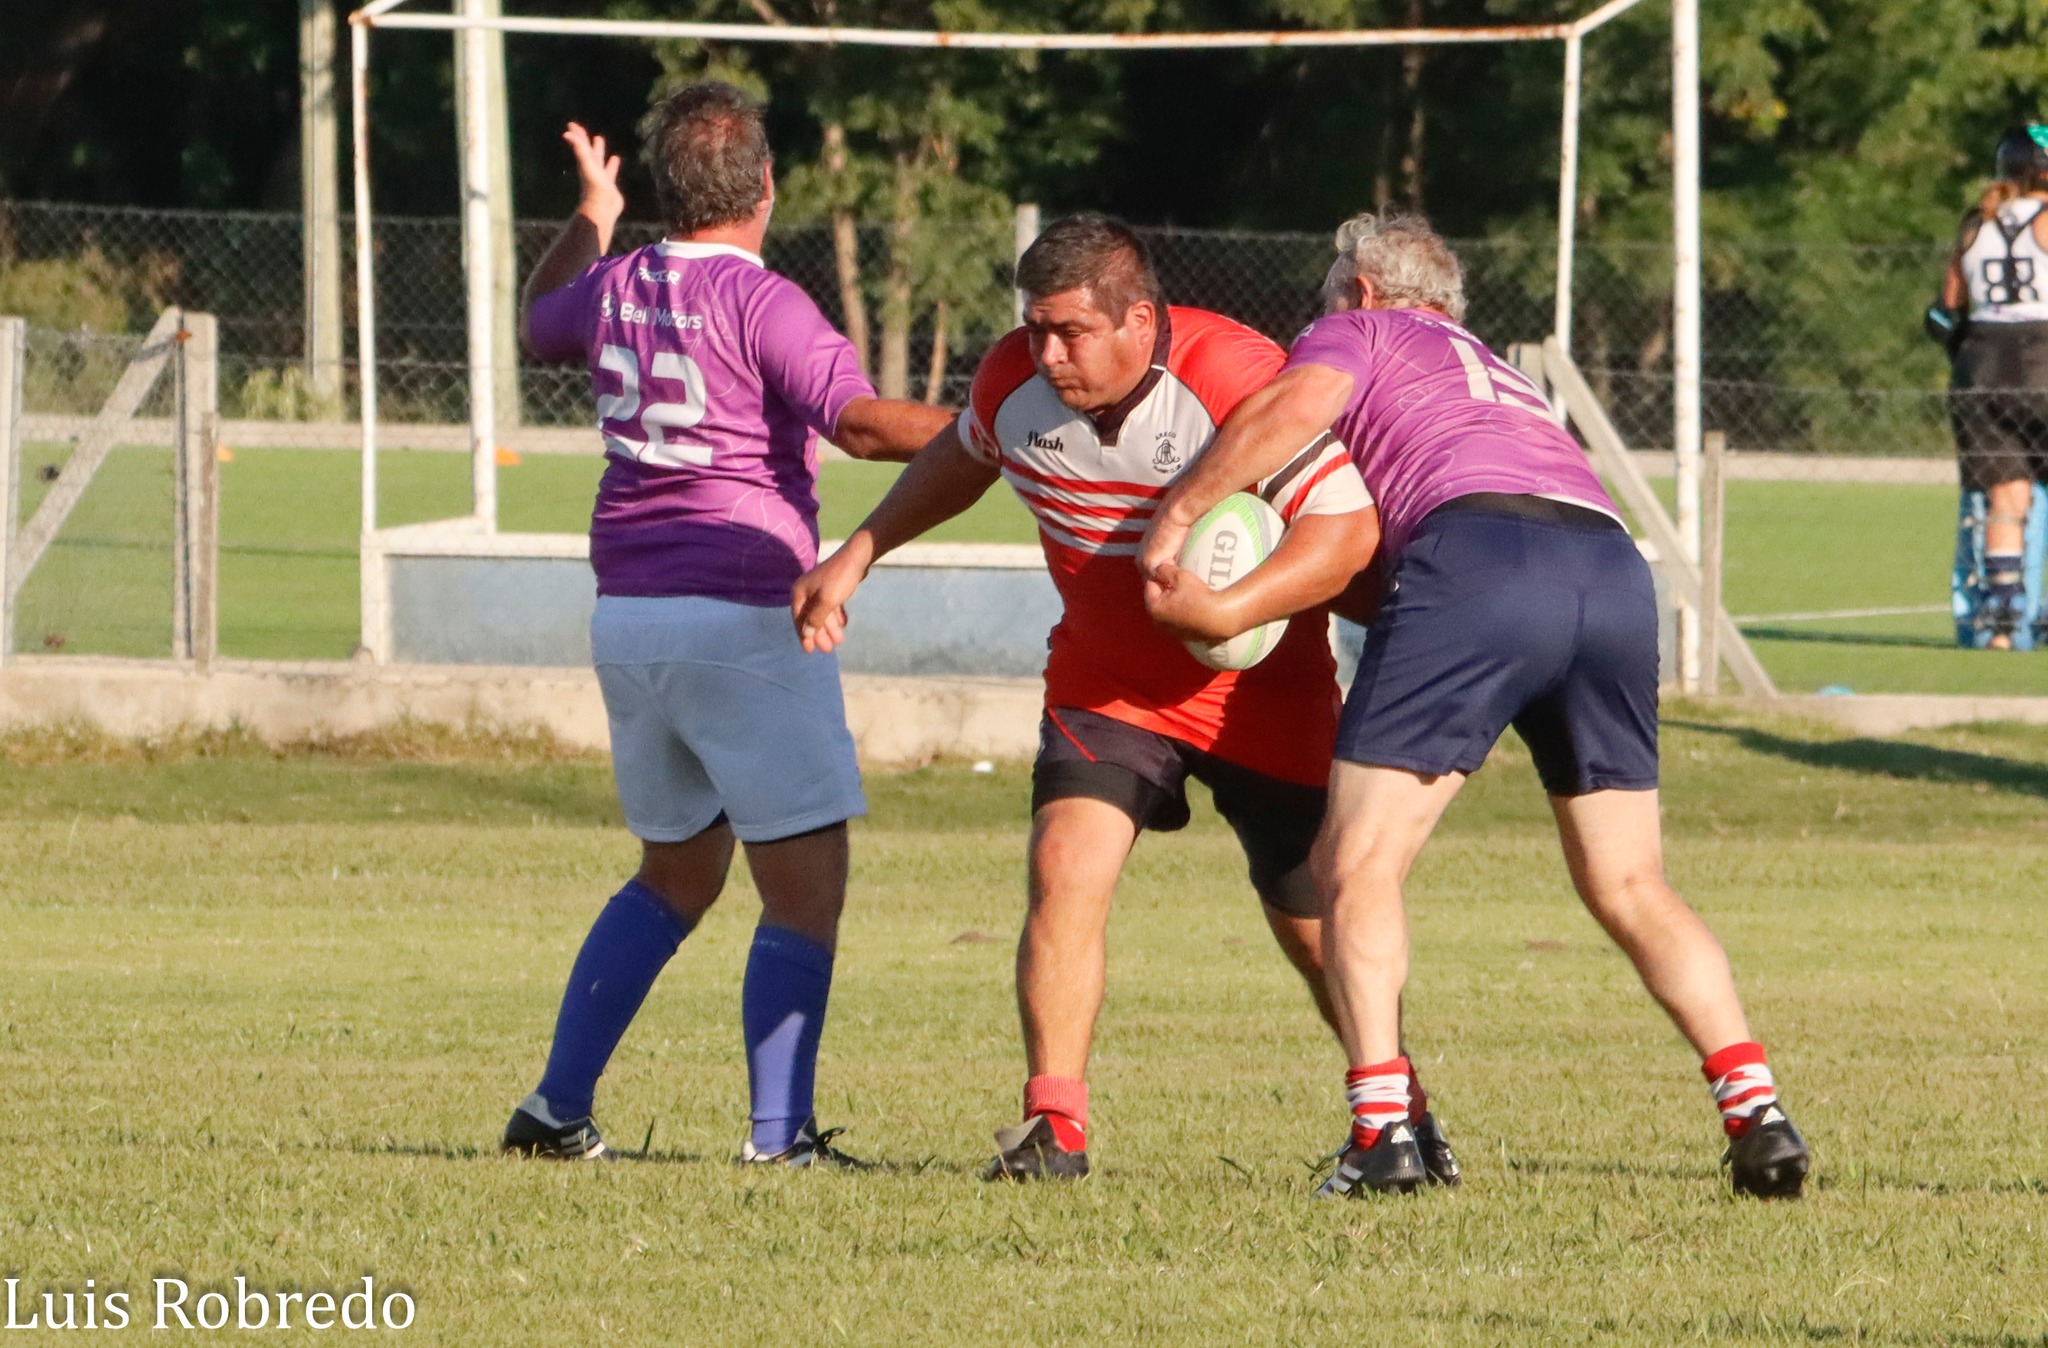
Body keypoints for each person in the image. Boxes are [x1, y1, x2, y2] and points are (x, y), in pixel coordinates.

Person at [1141, 212, 1810, 1200]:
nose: (1316, 312)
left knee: (1354, 863)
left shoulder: (1360, 333)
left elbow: (1293, 408)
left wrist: (1183, 509)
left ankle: (1380, 1135)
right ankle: (1756, 1112)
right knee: (1629, 882)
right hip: (1609, 571)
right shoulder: (1497, 370)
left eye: (1327, 292)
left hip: (1481, 555)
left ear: (1361, 290)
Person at [791, 214, 1460, 1185]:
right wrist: (857, 551)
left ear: (1139, 319)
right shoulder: (1011, 382)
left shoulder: (1237, 376)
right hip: (1107, 685)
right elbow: (963, 454)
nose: (1047, 354)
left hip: (1259, 697)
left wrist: (1227, 606)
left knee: (1315, 925)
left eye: (1071, 331)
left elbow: (1345, 533)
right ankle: (1051, 1126)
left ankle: (1403, 1115)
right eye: (1034, 329)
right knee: (1064, 867)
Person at [500, 83, 953, 1165]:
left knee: (675, 874)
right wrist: (999, 425)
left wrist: (591, 217)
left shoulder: (615, 284)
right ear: (765, 188)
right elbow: (857, 423)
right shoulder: (765, 303)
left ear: (664, 194)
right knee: (803, 886)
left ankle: (555, 1111)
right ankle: (777, 1136)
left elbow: (535, 320)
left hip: (630, 617)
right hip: (743, 613)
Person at [1932, 124, 2048, 649]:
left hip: (1980, 362)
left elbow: (1943, 314)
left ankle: (2003, 621)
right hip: (2042, 355)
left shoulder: (1975, 223)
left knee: (2007, 494)